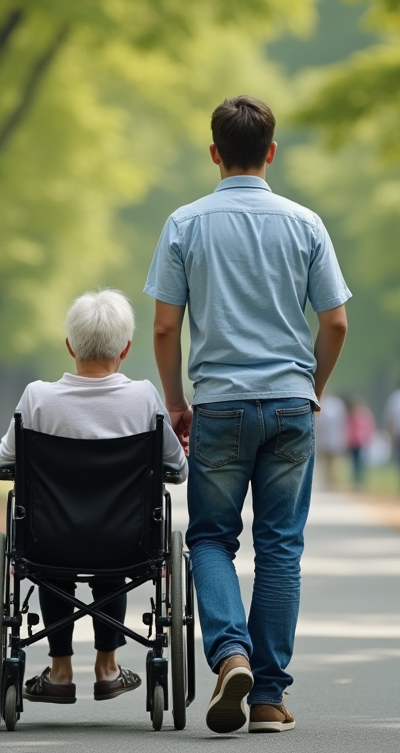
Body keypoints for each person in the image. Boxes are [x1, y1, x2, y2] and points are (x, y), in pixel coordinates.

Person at [145, 95, 350, 734]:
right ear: (271, 151)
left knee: (209, 537)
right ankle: (267, 697)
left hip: (219, 404)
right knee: (280, 548)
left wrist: (176, 402)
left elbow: (162, 325)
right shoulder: (306, 223)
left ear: (214, 153)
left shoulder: (185, 224)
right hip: (290, 402)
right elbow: (337, 321)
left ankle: (229, 652)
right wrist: (311, 389)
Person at [0, 288, 187, 706]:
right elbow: (178, 466)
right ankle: (108, 666)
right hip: (126, 541)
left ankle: (60, 671)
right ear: (127, 348)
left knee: (49, 556)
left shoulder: (37, 397)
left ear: (69, 346)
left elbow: (4, 460)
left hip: (50, 540)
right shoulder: (144, 398)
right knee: (113, 546)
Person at [315, 393, 348, 490]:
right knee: (328, 461)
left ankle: (331, 480)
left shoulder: (332, 406)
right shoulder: (330, 406)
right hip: (328, 437)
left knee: (332, 460)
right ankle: (328, 480)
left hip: (334, 437)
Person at [344, 394, 375, 489]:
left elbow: (369, 427)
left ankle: (360, 481)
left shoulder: (363, 413)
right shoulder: (351, 415)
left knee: (361, 461)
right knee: (355, 461)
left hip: (362, 441)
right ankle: (356, 481)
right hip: (354, 442)